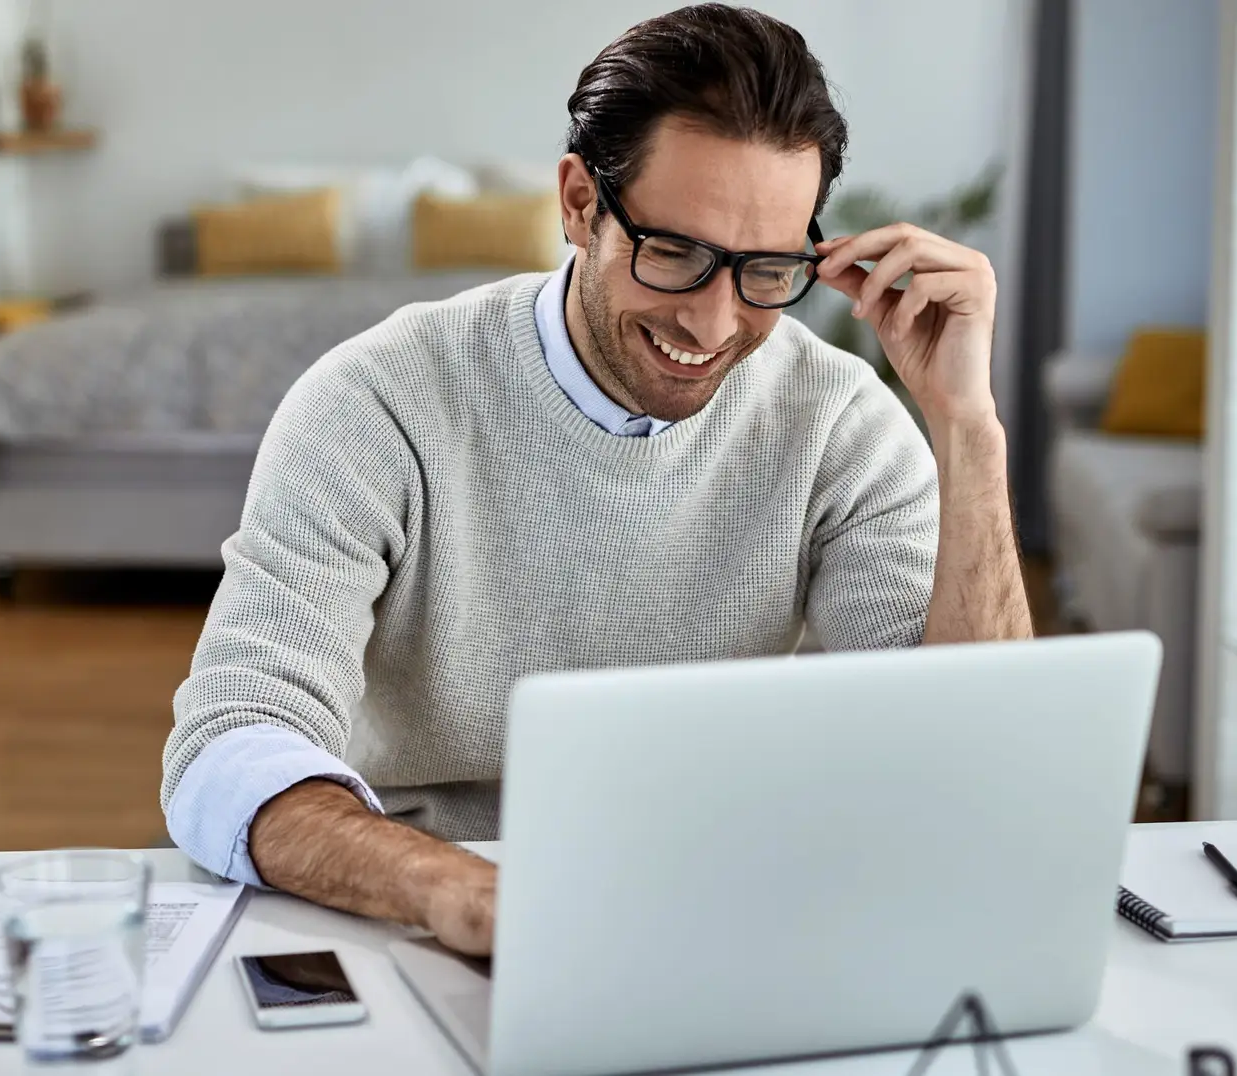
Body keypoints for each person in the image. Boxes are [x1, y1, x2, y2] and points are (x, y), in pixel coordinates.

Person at [160, 3, 1031, 956]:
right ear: (579, 203)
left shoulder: (839, 422)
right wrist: (468, 895)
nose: (712, 323)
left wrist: (968, 430)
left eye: (766, 270)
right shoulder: (377, 403)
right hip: (420, 921)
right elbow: (226, 749)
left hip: (722, 919)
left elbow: (973, 763)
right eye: (675, 254)